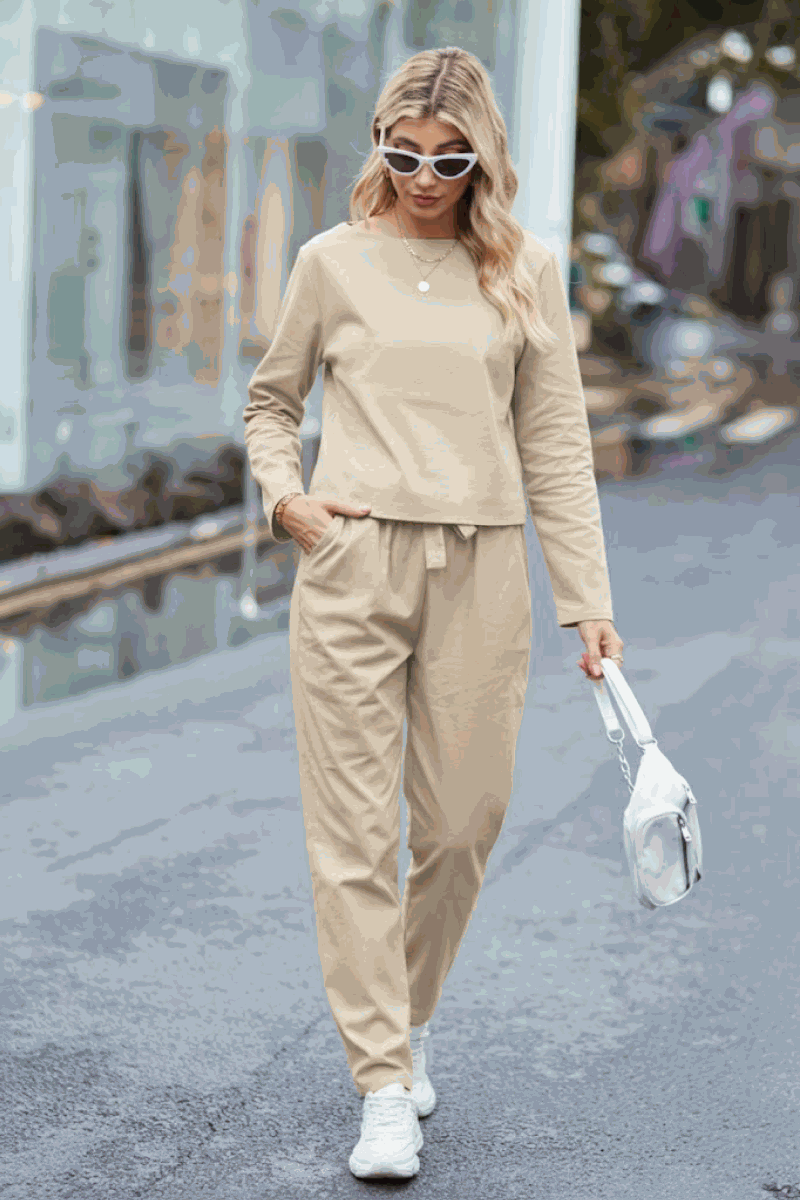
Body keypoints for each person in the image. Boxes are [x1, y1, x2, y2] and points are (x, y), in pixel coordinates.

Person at [242, 45, 625, 1181]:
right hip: (351, 564)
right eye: (401, 154)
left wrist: (586, 600)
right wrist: (289, 499)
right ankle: (379, 1084)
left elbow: (554, 442)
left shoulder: (523, 270)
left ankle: (404, 1026)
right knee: (353, 838)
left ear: (482, 158)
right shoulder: (329, 263)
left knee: (461, 823)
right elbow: (271, 402)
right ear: (376, 145)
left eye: (449, 158)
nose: (422, 176)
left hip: (482, 569)